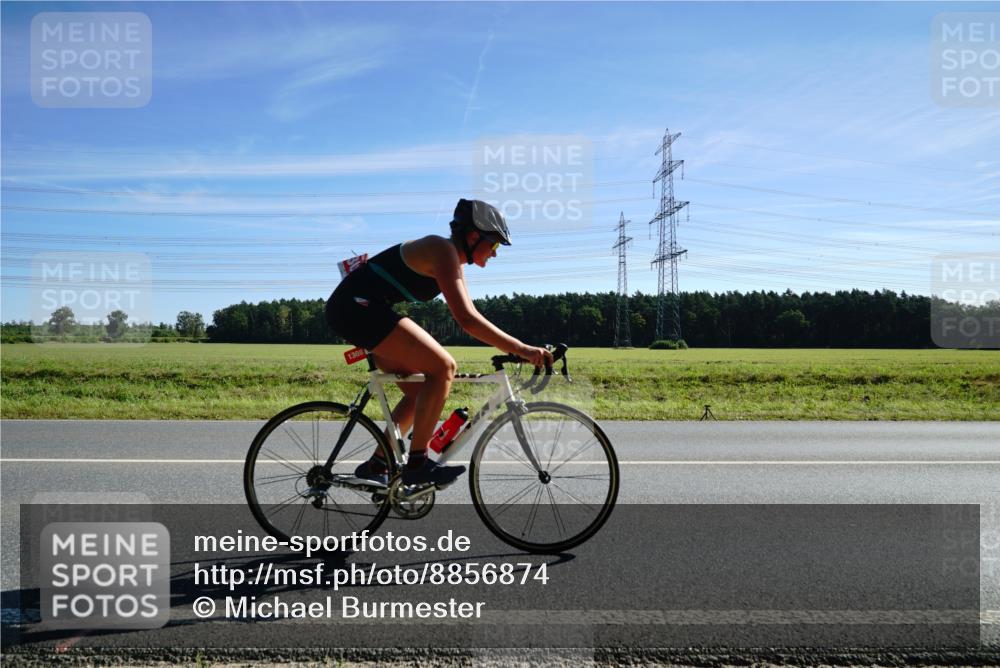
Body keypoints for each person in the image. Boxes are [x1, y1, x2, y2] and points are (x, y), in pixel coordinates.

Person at [325, 199, 553, 488]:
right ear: (473, 236)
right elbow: (467, 320)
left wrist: (517, 348)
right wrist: (521, 348)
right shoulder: (441, 250)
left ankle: (377, 464)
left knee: (420, 391)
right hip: (357, 308)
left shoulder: (452, 259)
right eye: (493, 245)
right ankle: (418, 466)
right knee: (444, 366)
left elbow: (473, 314)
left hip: (363, 309)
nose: (495, 254)